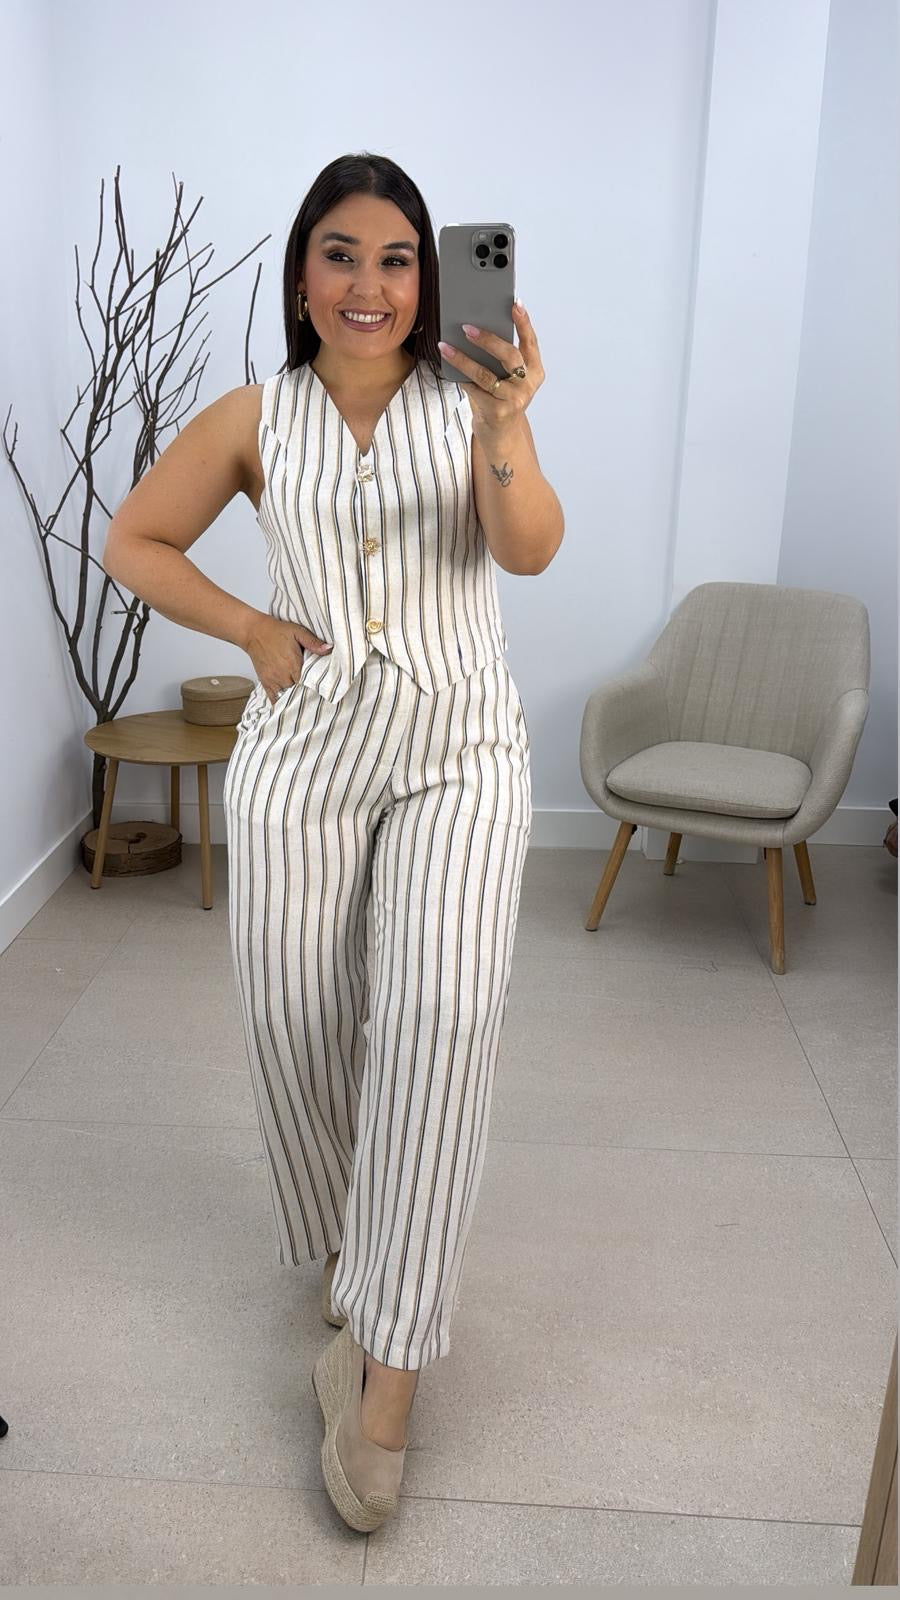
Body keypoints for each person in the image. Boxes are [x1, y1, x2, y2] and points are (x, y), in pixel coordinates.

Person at [102, 150, 564, 1534]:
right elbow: (136, 539)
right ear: (302, 275)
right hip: (303, 753)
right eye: (341, 255)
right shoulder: (257, 416)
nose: (371, 285)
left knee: (439, 1019)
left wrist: (507, 422)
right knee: (294, 1019)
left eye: (398, 259)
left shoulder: (473, 396)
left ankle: (383, 1378)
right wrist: (251, 628)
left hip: (458, 750)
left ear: (430, 280)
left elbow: (529, 549)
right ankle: (351, 1257)